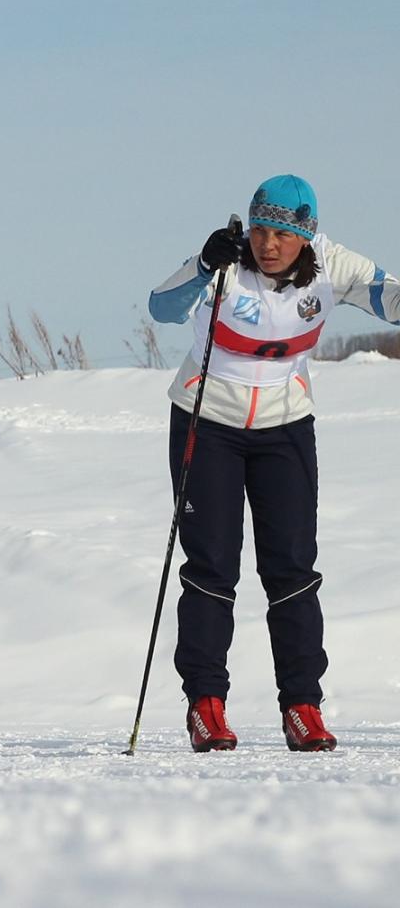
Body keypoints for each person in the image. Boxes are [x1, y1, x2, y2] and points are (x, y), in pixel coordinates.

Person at [148, 175, 397, 753]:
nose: (267, 244)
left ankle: (302, 706)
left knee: (291, 568)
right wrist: (200, 263)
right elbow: (163, 308)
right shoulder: (226, 261)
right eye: (260, 229)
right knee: (212, 566)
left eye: (282, 234)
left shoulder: (335, 264)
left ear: (305, 236)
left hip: (284, 428)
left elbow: (390, 297)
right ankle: (206, 705)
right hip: (206, 422)